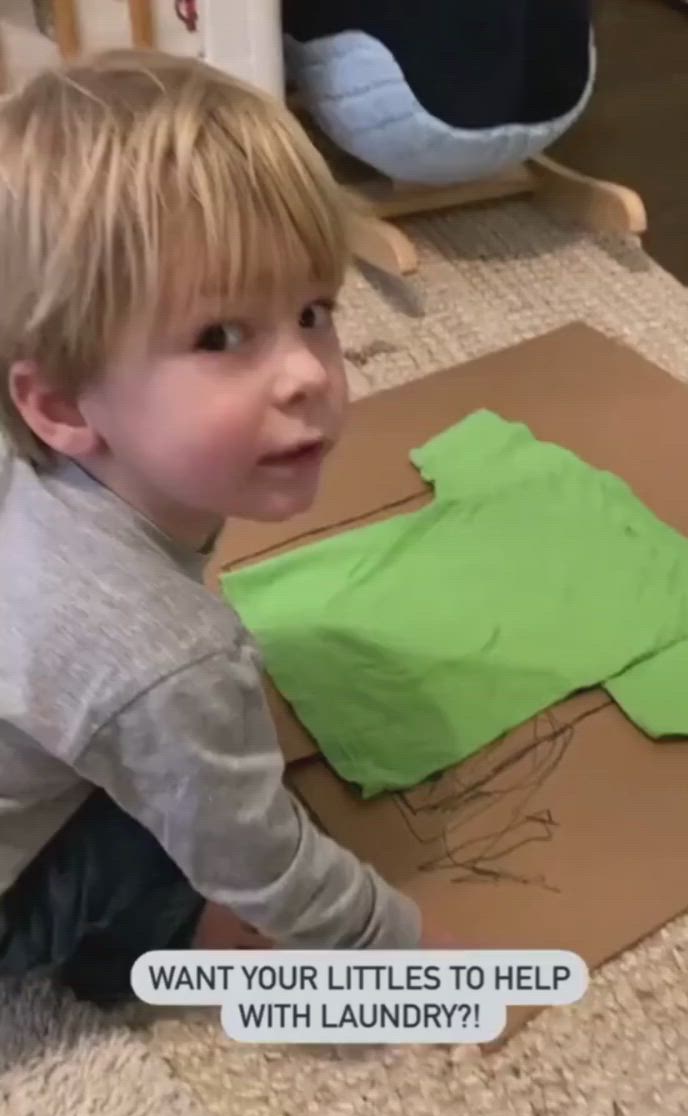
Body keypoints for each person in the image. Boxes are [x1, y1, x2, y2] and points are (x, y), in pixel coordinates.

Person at [0, 48, 445, 1008]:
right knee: (165, 821)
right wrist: (388, 943)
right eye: (220, 337)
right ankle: (148, 944)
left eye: (312, 312)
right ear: (63, 404)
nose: (308, 374)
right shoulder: (162, 654)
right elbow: (257, 854)